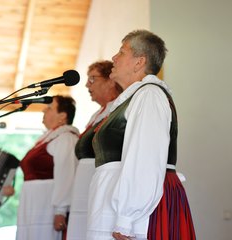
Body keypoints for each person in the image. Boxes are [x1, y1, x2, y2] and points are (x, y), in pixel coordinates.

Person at [86, 30, 196, 240]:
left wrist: (127, 219)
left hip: (135, 212)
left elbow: (145, 159)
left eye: (121, 52)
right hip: (117, 204)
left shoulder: (149, 95)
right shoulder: (137, 96)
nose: (114, 58)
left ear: (139, 61)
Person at [66, 60, 122, 240]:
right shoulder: (97, 114)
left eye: (92, 79)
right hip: (85, 184)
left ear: (110, 80)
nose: (86, 85)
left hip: (101, 183)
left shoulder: (117, 111)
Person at [16, 95, 79, 240]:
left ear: (62, 116)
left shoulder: (66, 138)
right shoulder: (48, 138)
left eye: (50, 108)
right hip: (34, 204)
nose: (44, 110)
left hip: (46, 206)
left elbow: (66, 175)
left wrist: (61, 211)